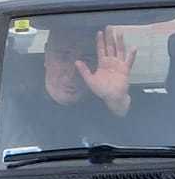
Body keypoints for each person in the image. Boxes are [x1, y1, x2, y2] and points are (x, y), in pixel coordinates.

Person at [8, 21, 136, 150]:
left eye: (87, 59)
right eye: (63, 57)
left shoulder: (113, 103)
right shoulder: (12, 109)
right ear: (46, 56)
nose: (72, 73)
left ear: (98, 63)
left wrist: (118, 104)